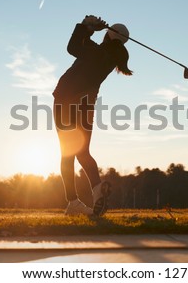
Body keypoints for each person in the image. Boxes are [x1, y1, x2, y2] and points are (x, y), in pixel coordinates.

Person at [52, 15, 132, 216]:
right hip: (86, 106)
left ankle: (73, 202)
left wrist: (87, 26)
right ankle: (97, 190)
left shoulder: (95, 52)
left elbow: (73, 47)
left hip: (67, 101)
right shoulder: (111, 56)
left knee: (67, 155)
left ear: (107, 35)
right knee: (83, 153)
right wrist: (89, 30)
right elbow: (83, 46)